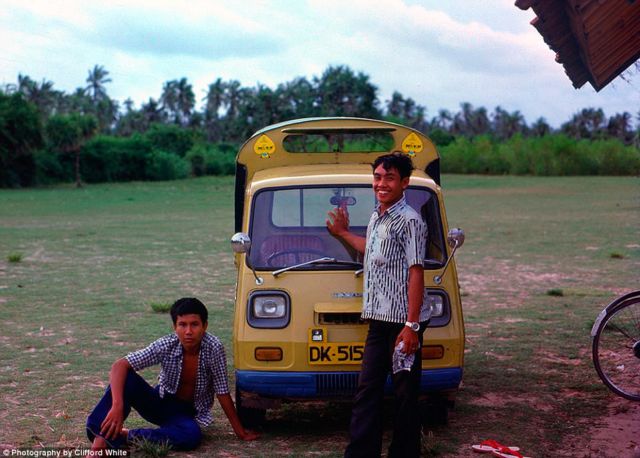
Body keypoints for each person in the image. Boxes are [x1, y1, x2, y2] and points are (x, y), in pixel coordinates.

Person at [326, 152, 428, 458]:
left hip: (403, 325)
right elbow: (369, 251)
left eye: (390, 178)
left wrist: (411, 327)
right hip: (378, 321)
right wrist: (343, 233)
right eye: (378, 177)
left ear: (404, 183)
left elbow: (416, 271)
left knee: (405, 395)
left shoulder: (409, 221)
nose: (382, 184)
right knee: (367, 391)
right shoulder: (377, 215)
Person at [85, 297, 258, 453]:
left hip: (186, 413)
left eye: (194, 324)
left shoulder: (214, 348)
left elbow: (222, 391)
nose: (188, 331)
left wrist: (240, 432)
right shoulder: (167, 344)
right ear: (175, 327)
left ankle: (126, 436)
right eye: (182, 325)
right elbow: (119, 365)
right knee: (127, 379)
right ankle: (100, 442)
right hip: (160, 402)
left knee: (191, 436)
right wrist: (117, 406)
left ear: (204, 326)